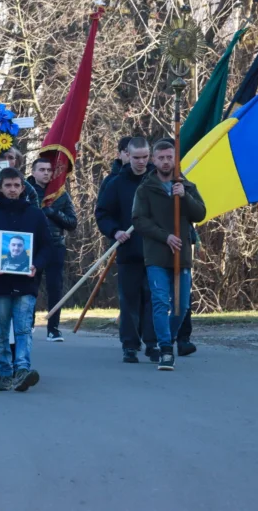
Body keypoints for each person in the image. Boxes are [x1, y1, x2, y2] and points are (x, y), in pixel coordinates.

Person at [0, 167, 50, 392]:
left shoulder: (35, 214)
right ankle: (5, 372)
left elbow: (46, 246)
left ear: (23, 188)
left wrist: (37, 265)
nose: (12, 190)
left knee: (23, 328)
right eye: (8, 186)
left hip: (26, 282)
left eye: (16, 185)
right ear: (0, 187)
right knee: (1, 329)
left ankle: (22, 369)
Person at [131, 139, 206, 371]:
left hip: (181, 257)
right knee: (161, 302)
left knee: (181, 307)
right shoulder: (145, 189)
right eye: (161, 158)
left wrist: (184, 196)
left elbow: (200, 214)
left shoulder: (187, 186)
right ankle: (165, 349)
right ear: (154, 160)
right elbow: (139, 220)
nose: (165, 162)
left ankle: (169, 337)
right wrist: (165, 236)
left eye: (169, 157)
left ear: (176, 159)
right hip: (156, 256)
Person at [95, 137, 159, 363]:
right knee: (129, 299)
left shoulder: (159, 179)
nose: (141, 162)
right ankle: (130, 345)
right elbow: (102, 213)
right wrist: (115, 231)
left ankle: (153, 344)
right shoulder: (116, 183)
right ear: (126, 156)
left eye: (145, 157)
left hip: (156, 251)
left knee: (155, 299)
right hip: (129, 250)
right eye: (136, 157)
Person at [29, 157, 77, 341]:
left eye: (49, 170)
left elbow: (72, 223)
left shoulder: (60, 193)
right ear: (33, 172)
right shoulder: (25, 190)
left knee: (55, 287)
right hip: (32, 246)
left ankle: (53, 328)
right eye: (42, 170)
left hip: (55, 245)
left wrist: (54, 212)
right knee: (30, 285)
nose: (46, 173)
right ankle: (28, 324)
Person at [97, 136, 132, 203]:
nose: (129, 155)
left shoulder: (146, 177)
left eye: (132, 151)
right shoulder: (109, 181)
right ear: (119, 155)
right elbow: (101, 210)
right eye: (126, 151)